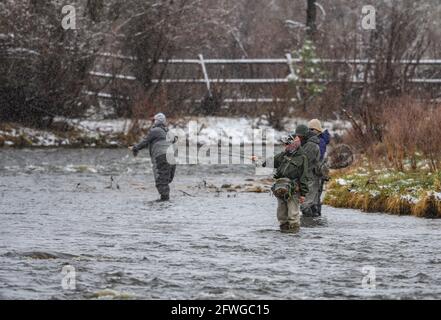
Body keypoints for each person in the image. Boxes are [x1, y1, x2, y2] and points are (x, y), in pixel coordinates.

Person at [269, 128, 309, 232]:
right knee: (281, 216)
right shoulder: (283, 155)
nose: (285, 146)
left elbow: (304, 176)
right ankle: (283, 234)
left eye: (287, 144)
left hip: (294, 190)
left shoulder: (302, 157)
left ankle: (294, 235)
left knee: (293, 215)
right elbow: (270, 162)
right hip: (280, 189)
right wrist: (258, 160)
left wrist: (303, 194)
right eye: (285, 144)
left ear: (293, 144)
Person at [130, 113, 176, 201]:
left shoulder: (154, 131)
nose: (153, 122)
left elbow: (145, 142)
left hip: (161, 157)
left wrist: (135, 148)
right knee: (166, 180)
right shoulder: (167, 131)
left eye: (154, 120)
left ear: (157, 121)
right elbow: (174, 139)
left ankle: (164, 203)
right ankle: (166, 200)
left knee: (161, 181)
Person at [295, 124, 321, 217]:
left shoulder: (311, 146)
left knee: (305, 206)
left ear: (305, 135)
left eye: (300, 136)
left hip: (310, 178)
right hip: (307, 178)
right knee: (311, 204)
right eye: (297, 136)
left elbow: (304, 162)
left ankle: (309, 226)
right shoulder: (306, 143)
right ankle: (313, 224)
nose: (298, 138)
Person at [308, 119, 331, 216]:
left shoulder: (320, 141)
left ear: (317, 130)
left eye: (312, 129)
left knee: (315, 194)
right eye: (309, 129)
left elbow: (319, 157)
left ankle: (314, 215)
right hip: (317, 171)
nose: (310, 131)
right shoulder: (316, 140)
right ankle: (315, 217)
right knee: (315, 195)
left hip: (317, 171)